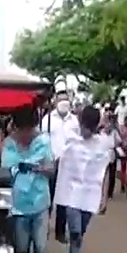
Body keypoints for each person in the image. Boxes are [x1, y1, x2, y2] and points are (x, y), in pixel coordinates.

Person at [54, 105, 111, 253]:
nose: (87, 131)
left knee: (80, 234)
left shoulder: (102, 145)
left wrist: (104, 197)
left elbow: (105, 171)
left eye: (91, 128)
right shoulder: (70, 139)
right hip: (71, 195)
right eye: (85, 126)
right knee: (76, 233)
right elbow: (57, 159)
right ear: (80, 123)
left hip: (89, 196)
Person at [2, 107, 54, 253]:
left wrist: (38, 168)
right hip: (19, 205)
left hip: (40, 203)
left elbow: (51, 169)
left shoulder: (44, 142)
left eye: (29, 130)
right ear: (16, 128)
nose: (26, 135)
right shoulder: (9, 145)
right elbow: (5, 169)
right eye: (22, 130)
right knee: (22, 248)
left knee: (40, 249)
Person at [42, 89, 79, 243]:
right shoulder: (48, 119)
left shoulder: (74, 121)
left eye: (66, 99)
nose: (64, 102)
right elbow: (42, 140)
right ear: (55, 101)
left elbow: (78, 141)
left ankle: (60, 231)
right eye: (61, 99)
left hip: (68, 165)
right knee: (48, 197)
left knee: (63, 200)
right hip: (51, 163)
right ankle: (44, 227)